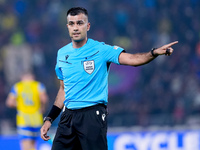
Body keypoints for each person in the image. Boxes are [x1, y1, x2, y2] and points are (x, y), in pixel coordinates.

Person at [40, 7, 178, 150]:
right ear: (67, 27)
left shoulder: (101, 49)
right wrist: (49, 119)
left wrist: (154, 52)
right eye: (72, 23)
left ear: (88, 26)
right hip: (68, 117)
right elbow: (63, 89)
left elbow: (132, 59)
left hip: (92, 115)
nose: (76, 27)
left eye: (80, 23)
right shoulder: (62, 54)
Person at [6, 72, 48, 150]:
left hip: (24, 120)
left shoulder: (18, 86)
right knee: (33, 145)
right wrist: (43, 107)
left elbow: (9, 102)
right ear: (33, 76)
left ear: (22, 77)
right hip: (36, 119)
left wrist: (19, 104)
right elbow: (44, 99)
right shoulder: (38, 85)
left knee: (25, 145)